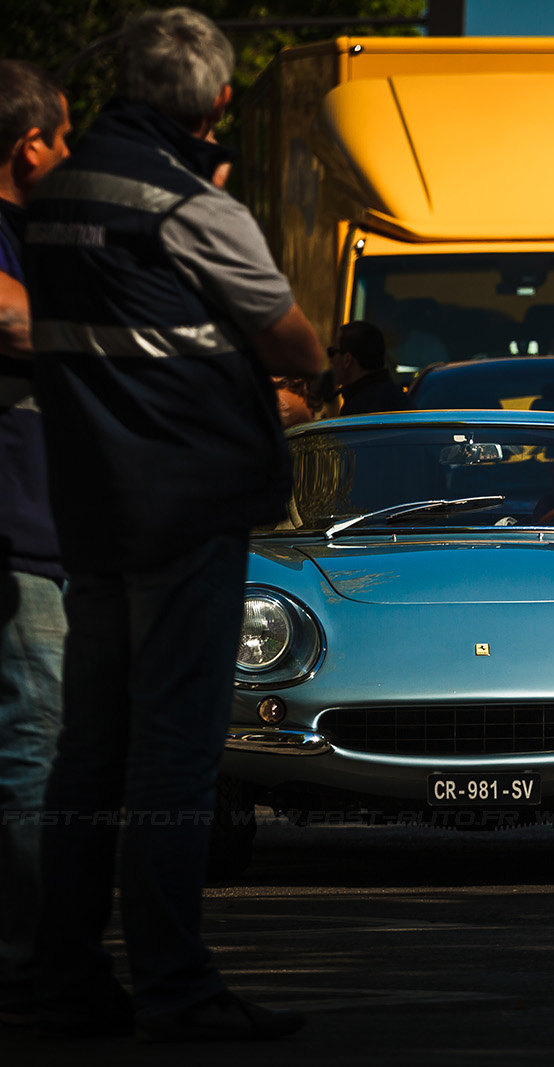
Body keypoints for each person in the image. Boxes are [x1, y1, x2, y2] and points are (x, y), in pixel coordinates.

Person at [24, 8, 323, 1042]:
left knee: (88, 750)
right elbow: (301, 343)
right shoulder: (192, 204)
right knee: (173, 755)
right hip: (189, 504)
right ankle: (178, 985)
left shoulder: (50, 195)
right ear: (218, 100)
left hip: (92, 504)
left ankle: (65, 970)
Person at [0, 57, 72, 1030]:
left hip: (34, 536)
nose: (71, 156)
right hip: (14, 538)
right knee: (32, 745)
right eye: (65, 139)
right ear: (31, 144)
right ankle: (29, 956)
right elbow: (14, 323)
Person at [331, 320, 407, 416]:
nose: (331, 360)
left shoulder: (356, 412)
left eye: (332, 352)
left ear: (347, 360)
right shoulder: (400, 398)